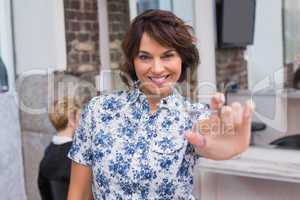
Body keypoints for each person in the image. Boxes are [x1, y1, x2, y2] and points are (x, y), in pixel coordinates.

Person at [67, 9, 254, 200]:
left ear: (182, 58)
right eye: (145, 57)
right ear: (133, 60)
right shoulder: (97, 111)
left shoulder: (193, 116)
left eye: (167, 55)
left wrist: (227, 145)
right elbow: (78, 194)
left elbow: (208, 140)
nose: (157, 68)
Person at [38, 97, 83, 200]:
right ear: (72, 119)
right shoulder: (77, 155)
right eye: (80, 116)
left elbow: (43, 189)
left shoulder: (48, 152)